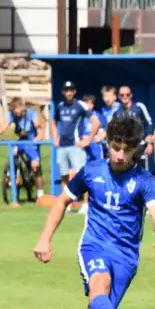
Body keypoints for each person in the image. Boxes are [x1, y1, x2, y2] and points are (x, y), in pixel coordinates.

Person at [30, 115, 155, 309]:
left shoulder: (143, 180)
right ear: (107, 145)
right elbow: (62, 202)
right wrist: (44, 238)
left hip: (126, 259)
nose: (119, 155)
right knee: (99, 285)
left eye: (126, 150)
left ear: (135, 150)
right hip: (94, 246)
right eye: (115, 147)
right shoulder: (91, 172)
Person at [52, 81, 94, 213]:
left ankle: (86, 204)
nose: (69, 92)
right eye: (66, 90)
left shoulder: (80, 105)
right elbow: (53, 121)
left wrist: (88, 139)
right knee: (64, 175)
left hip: (76, 145)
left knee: (82, 174)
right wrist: (55, 137)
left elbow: (95, 121)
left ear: (74, 91)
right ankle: (67, 203)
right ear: (63, 92)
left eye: (71, 90)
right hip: (62, 146)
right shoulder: (60, 106)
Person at [0, 98, 45, 199]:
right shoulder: (12, 115)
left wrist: (39, 137)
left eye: (17, 109)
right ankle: (12, 175)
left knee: (35, 167)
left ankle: (40, 194)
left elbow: (38, 127)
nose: (16, 111)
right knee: (13, 153)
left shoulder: (31, 114)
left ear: (22, 107)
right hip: (20, 140)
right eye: (14, 109)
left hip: (31, 141)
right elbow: (4, 126)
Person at [116, 86, 153, 170]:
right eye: (122, 95)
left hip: (140, 146)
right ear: (118, 96)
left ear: (131, 95)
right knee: (127, 172)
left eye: (127, 94)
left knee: (142, 173)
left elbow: (149, 124)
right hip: (125, 148)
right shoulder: (117, 112)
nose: (125, 97)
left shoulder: (139, 107)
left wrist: (150, 144)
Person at [96, 85, 121, 158]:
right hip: (105, 145)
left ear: (115, 97)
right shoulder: (101, 111)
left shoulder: (120, 108)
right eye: (105, 96)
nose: (107, 99)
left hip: (118, 143)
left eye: (109, 96)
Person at [80, 94, 103, 163]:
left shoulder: (98, 115)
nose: (89, 106)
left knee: (98, 165)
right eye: (86, 103)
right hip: (83, 145)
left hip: (95, 145)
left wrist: (98, 136)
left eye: (91, 103)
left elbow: (103, 129)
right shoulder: (80, 117)